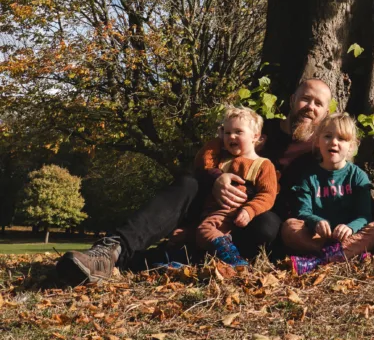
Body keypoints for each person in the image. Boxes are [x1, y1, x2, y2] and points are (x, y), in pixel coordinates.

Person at [56, 77, 332, 285]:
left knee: (267, 226)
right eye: (306, 99)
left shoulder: (318, 151)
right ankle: (111, 251)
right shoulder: (259, 128)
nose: (310, 107)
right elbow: (208, 157)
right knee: (188, 183)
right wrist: (216, 178)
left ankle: (154, 261)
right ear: (294, 98)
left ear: (325, 112)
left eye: (318, 104)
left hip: (255, 217)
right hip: (211, 201)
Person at [282, 112, 374, 274]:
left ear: (352, 146)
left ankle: (319, 260)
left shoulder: (357, 175)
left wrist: (350, 228)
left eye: (342, 139)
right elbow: (302, 211)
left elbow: (364, 215)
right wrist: (316, 221)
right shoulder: (309, 176)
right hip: (318, 237)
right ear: (317, 141)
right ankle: (342, 255)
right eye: (328, 136)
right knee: (289, 227)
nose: (334, 142)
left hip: (348, 237)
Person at [195, 107, 278, 267]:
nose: (231, 136)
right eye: (226, 132)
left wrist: (250, 210)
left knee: (203, 231)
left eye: (238, 132)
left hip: (232, 213)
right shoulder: (222, 160)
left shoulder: (263, 165)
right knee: (182, 235)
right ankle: (218, 253)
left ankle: (233, 258)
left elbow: (268, 195)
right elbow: (202, 163)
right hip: (212, 212)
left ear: (255, 136)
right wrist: (217, 141)